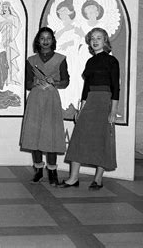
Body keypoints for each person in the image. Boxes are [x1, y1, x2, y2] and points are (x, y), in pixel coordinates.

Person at [60, 27, 119, 190]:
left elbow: (115, 87)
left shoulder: (112, 61)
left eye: (99, 38)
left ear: (105, 41)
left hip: (104, 101)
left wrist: (113, 110)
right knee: (78, 138)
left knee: (102, 139)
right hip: (90, 101)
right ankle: (73, 178)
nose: (95, 41)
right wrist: (81, 109)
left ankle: (98, 179)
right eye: (92, 38)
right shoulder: (90, 61)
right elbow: (86, 88)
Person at [20, 27, 69, 186]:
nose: (45, 41)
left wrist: (53, 82)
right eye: (42, 38)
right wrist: (35, 82)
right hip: (35, 98)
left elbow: (65, 81)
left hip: (51, 99)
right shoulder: (31, 60)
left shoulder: (60, 58)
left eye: (48, 38)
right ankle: (38, 170)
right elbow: (27, 83)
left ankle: (53, 171)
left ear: (53, 40)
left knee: (51, 134)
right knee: (35, 134)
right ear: (38, 41)